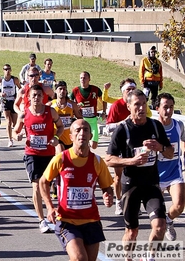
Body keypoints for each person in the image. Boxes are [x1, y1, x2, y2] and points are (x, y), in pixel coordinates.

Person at [105, 89, 174, 258]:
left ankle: (149, 257)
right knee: (132, 232)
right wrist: (131, 161)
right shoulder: (122, 130)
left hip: (151, 184)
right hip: (131, 186)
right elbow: (108, 159)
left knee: (160, 226)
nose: (141, 108)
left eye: (144, 104)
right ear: (128, 106)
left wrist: (160, 147)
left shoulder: (155, 125)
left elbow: (171, 153)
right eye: (137, 104)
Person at [40, 119, 113, 261]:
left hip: (91, 220)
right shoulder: (61, 159)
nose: (82, 133)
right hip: (67, 221)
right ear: (71, 136)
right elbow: (43, 182)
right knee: (80, 258)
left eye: (86, 130)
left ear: (91, 136)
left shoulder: (97, 161)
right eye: (77, 130)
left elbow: (107, 188)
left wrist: (108, 196)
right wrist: (49, 207)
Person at [13, 84, 64, 233]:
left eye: (39, 95)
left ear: (43, 97)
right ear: (28, 97)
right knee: (36, 185)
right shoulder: (24, 115)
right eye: (33, 95)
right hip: (32, 154)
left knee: (49, 185)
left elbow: (60, 127)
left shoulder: (51, 112)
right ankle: (42, 220)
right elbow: (16, 132)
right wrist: (18, 136)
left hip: (48, 154)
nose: (36, 98)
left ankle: (56, 213)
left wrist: (56, 137)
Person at [104, 79, 138, 215]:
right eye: (127, 90)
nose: (130, 92)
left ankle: (132, 201)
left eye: (132, 89)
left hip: (134, 145)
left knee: (135, 175)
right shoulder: (116, 106)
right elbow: (107, 128)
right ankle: (118, 201)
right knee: (118, 176)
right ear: (122, 92)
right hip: (118, 144)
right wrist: (123, 123)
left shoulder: (138, 105)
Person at [155, 92, 185, 241]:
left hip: (174, 172)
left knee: (179, 205)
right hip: (155, 175)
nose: (168, 111)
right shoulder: (152, 127)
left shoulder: (178, 125)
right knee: (157, 216)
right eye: (165, 107)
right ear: (158, 108)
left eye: (171, 107)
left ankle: (169, 220)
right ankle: (152, 250)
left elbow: (183, 139)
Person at [69, 71, 106, 149]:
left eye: (85, 78)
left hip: (93, 121)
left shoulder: (95, 89)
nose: (83, 80)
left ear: (89, 79)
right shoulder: (75, 90)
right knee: (82, 143)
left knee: (94, 145)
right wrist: (75, 107)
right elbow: (69, 102)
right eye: (81, 78)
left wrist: (104, 112)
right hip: (81, 121)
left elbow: (104, 99)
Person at [51, 80, 83, 153]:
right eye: (60, 89)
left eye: (64, 89)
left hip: (69, 138)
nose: (62, 91)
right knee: (61, 154)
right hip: (57, 137)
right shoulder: (51, 105)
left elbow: (80, 119)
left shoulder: (72, 105)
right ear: (55, 91)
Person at [0, 64, 21, 147]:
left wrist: (18, 97)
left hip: (13, 101)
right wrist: (0, 93)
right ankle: (10, 140)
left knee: (15, 122)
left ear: (11, 70)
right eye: (5, 69)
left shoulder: (14, 79)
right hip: (5, 101)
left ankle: (14, 133)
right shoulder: (1, 80)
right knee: (8, 121)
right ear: (3, 70)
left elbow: (20, 88)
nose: (7, 71)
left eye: (9, 69)